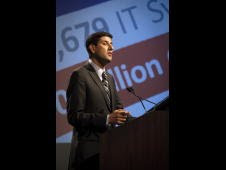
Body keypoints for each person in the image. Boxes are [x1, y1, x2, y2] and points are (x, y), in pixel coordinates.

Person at [66, 32, 133, 170]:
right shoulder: (80, 75)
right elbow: (74, 116)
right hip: (88, 155)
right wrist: (107, 118)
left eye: (111, 44)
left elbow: (118, 111)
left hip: (110, 152)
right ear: (92, 48)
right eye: (105, 43)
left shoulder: (110, 78)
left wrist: (146, 118)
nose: (111, 48)